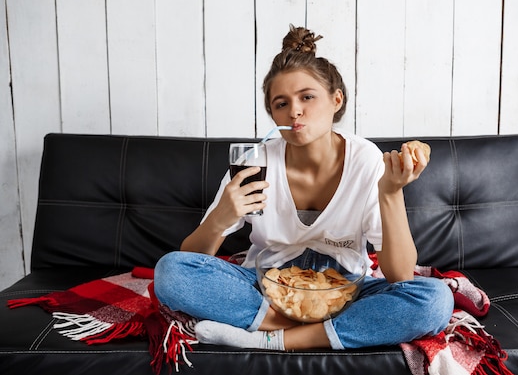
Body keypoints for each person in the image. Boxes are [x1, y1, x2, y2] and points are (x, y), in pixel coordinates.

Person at [154, 25, 453, 351]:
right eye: (281, 104)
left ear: (336, 99)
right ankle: (320, 331)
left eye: (307, 97)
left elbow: (400, 275)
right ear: (273, 114)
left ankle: (272, 338)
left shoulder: (365, 160)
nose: (294, 110)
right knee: (170, 271)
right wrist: (221, 218)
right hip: (265, 287)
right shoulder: (255, 162)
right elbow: (190, 259)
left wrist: (391, 192)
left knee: (435, 300)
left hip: (345, 291)